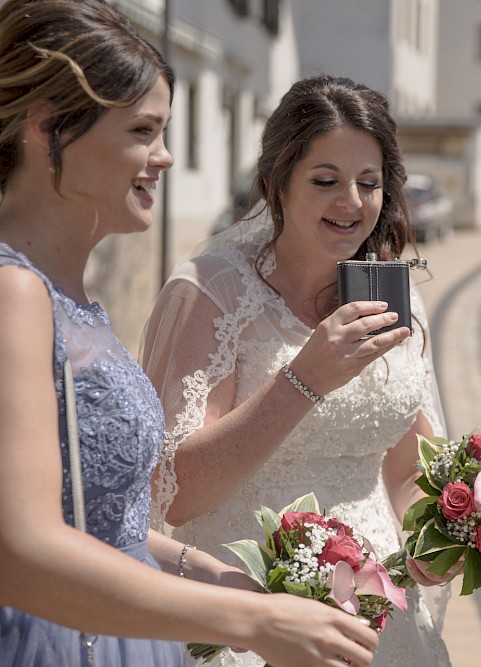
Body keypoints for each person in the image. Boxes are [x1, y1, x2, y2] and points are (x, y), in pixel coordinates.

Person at [0, 2, 378, 666]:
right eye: (144, 131)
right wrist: (251, 618)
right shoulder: (13, 292)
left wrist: (234, 582)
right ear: (47, 127)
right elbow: (21, 551)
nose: (166, 157)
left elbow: (113, 528)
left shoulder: (75, 299)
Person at [140, 74, 452, 667]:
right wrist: (304, 380)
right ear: (276, 185)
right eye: (326, 181)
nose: (352, 203)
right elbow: (173, 493)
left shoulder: (393, 294)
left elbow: (408, 467)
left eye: (369, 183)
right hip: (252, 605)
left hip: (378, 611)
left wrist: (433, 538)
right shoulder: (212, 292)